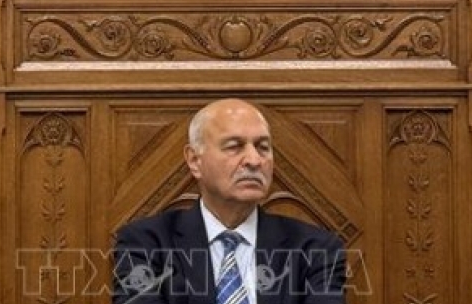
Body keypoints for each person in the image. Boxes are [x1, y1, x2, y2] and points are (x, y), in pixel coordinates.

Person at [112, 98, 346, 304]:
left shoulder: (316, 249)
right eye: (234, 147)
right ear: (194, 160)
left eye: (263, 147)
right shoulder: (146, 244)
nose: (254, 160)